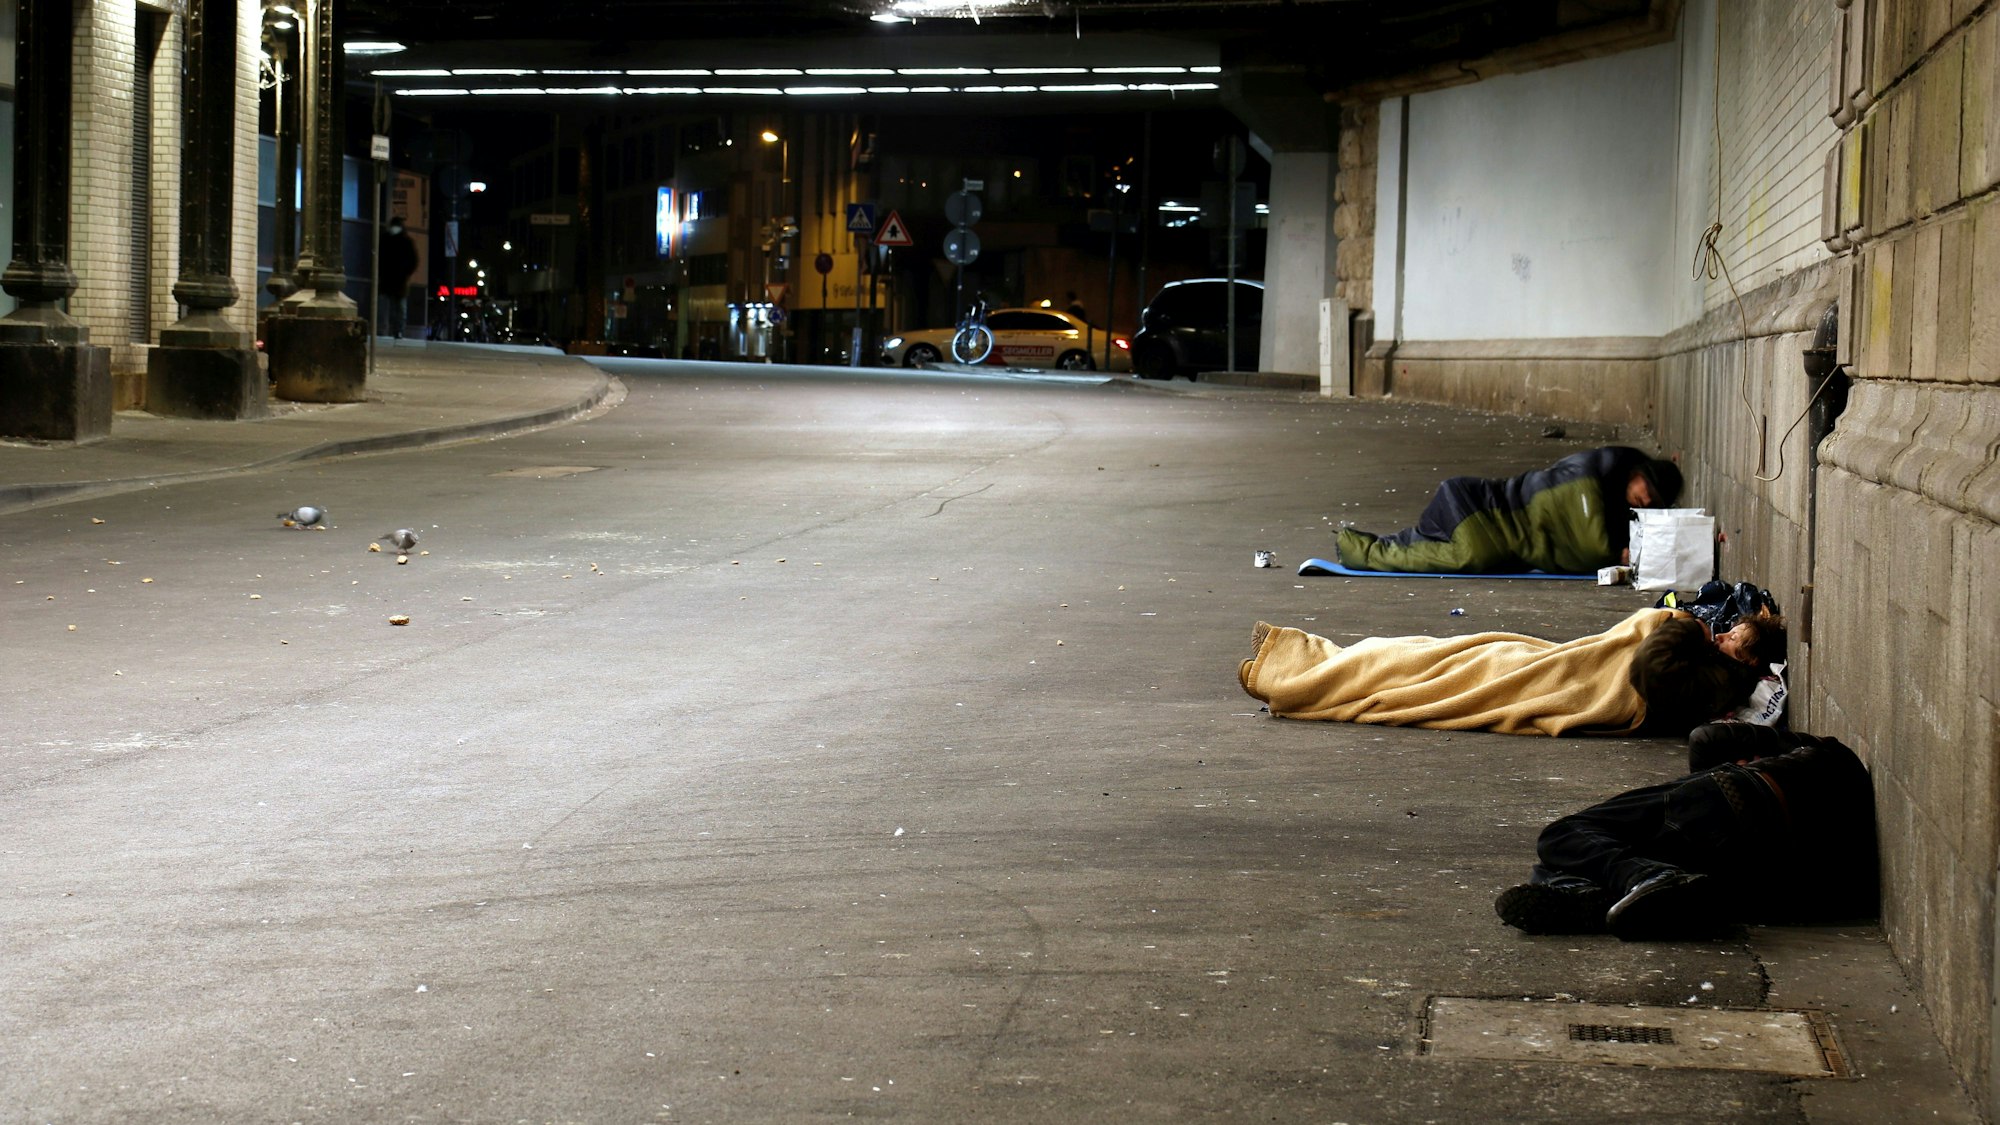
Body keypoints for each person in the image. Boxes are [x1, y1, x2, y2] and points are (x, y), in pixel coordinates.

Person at [1493, 722, 1877, 940]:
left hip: (1744, 842)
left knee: (1563, 836)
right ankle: (1606, 891)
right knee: (1575, 856)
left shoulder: (1820, 755)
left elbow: (1706, 738)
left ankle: (1622, 883)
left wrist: (1725, 769)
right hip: (1788, 880)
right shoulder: (1832, 766)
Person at [1238, 606, 1758, 737]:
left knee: (1430, 673)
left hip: (1577, 687)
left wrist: (1681, 626)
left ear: (1748, 661)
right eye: (1728, 630)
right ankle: (1309, 660)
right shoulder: (1718, 670)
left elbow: (1646, 666)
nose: (1723, 636)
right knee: (1432, 653)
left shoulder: (1720, 678)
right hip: (1567, 665)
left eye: (1734, 639)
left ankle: (1295, 675)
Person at [1336, 446, 1683, 574]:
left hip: (1486, 514)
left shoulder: (1620, 505)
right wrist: (1613, 554)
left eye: (1655, 501)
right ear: (1637, 472)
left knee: (1471, 551)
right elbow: (1584, 538)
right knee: (1474, 552)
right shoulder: (1592, 473)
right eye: (1648, 489)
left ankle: (1375, 547)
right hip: (1475, 505)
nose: (1647, 499)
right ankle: (1361, 549)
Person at [377, 217, 419, 338]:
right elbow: (414, 260)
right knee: (398, 307)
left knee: (386, 307)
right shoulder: (406, 241)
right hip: (398, 280)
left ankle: (384, 329)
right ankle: (397, 330)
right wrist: (406, 273)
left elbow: (379, 258)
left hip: (390, 279)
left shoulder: (385, 239)